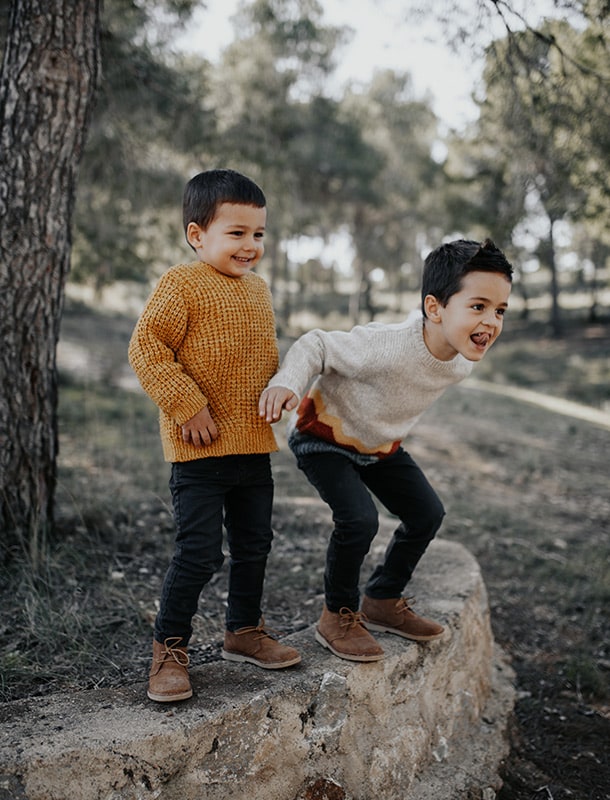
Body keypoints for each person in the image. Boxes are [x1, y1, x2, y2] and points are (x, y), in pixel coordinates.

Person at [259, 239, 513, 663]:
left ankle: (381, 600)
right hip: (324, 436)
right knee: (359, 519)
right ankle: (337, 616)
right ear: (435, 309)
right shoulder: (389, 344)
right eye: (478, 306)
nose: (491, 321)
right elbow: (317, 344)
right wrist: (288, 381)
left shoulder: (464, 359)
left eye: (500, 310)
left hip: (378, 444)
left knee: (427, 513)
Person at [129, 168, 301, 703]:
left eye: (259, 234)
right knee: (200, 552)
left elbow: (261, 359)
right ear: (197, 234)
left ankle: (242, 630)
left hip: (253, 447)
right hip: (199, 450)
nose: (251, 246)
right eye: (237, 233)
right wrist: (186, 403)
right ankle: (170, 646)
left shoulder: (260, 289)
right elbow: (145, 349)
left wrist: (279, 387)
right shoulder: (181, 284)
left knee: (255, 545)